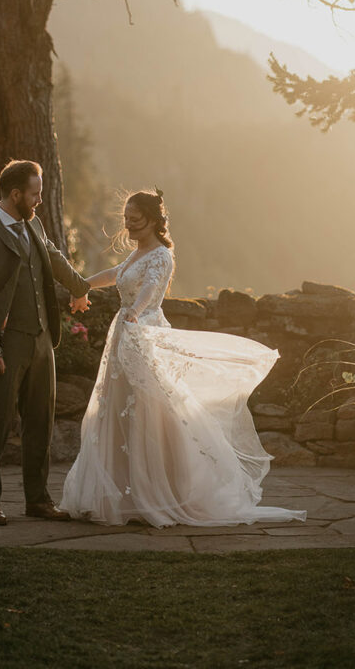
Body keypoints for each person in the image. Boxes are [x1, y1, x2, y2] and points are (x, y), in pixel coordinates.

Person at [59, 189, 307, 527]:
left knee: (152, 413)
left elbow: (150, 289)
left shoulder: (161, 256)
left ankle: (162, 493)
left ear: (152, 220)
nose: (128, 225)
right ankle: (123, 493)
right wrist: (81, 285)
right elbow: (116, 274)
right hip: (124, 337)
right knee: (117, 411)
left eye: (135, 219)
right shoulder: (135, 254)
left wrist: (134, 313)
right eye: (126, 219)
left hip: (144, 335)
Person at [0, 159, 91, 526]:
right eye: (35, 193)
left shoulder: (32, 223)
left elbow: (53, 258)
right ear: (15, 194)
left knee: (40, 424)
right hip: (7, 344)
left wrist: (81, 287)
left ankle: (38, 500)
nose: (40, 199)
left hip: (42, 340)